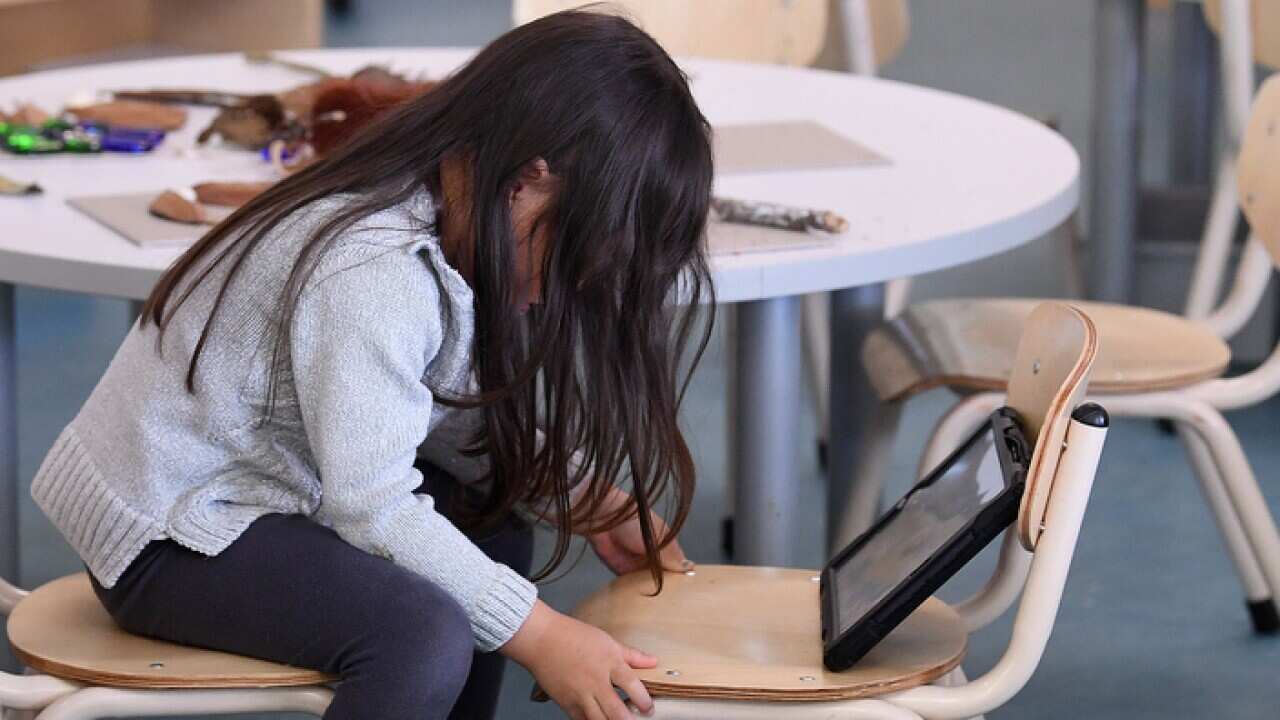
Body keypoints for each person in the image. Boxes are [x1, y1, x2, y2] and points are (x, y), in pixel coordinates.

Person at [29, 9, 715, 720]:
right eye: (576, 256)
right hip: (170, 532)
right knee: (419, 637)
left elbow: (439, 412)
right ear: (528, 181)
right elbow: (374, 508)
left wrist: (589, 496)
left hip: (260, 494)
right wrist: (542, 634)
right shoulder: (375, 264)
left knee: (493, 515)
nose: (568, 291)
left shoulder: (452, 211)